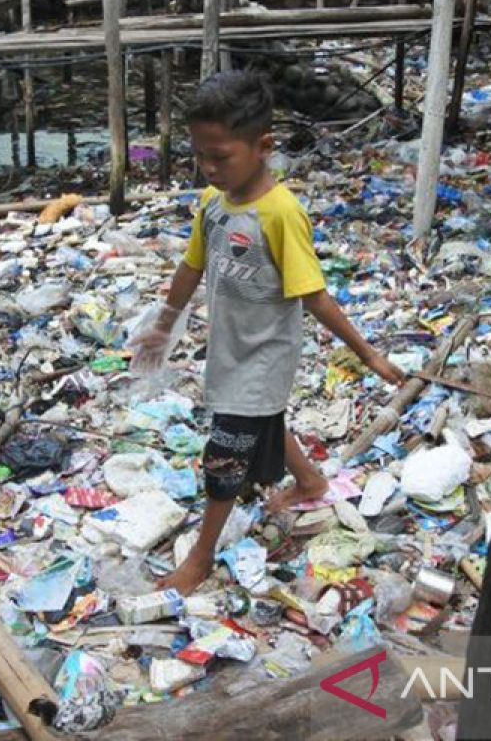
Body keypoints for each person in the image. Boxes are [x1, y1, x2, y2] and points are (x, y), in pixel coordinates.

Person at [131, 71, 406, 596]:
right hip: (231, 348)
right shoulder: (213, 206)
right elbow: (191, 268)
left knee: (226, 457)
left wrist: (368, 354)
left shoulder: (280, 214)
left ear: (263, 147)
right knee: (260, 420)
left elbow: (315, 295)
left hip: (265, 354)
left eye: (221, 156)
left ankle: (200, 559)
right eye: (201, 156)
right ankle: (310, 481)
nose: (209, 168)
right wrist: (163, 324)